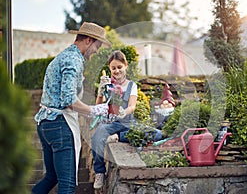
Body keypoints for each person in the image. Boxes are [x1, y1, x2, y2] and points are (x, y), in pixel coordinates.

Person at [32, 22, 111, 194]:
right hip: (59, 125)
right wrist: (93, 110)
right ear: (89, 41)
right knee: (67, 185)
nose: (97, 51)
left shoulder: (64, 56)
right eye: (97, 46)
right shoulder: (73, 60)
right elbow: (69, 100)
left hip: (45, 123)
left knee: (51, 177)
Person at [91, 50, 162, 189]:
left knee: (157, 134)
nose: (117, 71)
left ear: (125, 66)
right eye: (113, 68)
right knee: (97, 136)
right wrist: (101, 92)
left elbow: (132, 106)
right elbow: (98, 107)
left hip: (128, 122)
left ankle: (118, 137)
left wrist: (125, 112)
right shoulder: (108, 84)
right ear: (109, 69)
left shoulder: (131, 86)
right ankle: (99, 172)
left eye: (119, 67)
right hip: (110, 123)